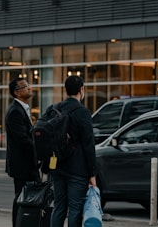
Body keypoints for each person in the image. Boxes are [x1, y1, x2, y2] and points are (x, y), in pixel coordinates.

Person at [50, 75, 97, 227]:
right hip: (77, 168)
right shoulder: (82, 112)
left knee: (59, 207)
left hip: (57, 166)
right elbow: (88, 145)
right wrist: (92, 173)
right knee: (75, 209)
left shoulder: (55, 109)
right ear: (81, 90)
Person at [5, 77, 39, 227]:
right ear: (17, 93)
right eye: (25, 86)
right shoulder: (15, 112)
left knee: (26, 197)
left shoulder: (22, 109)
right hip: (21, 164)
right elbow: (23, 140)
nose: (29, 88)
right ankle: (18, 224)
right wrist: (39, 151)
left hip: (27, 163)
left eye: (28, 85)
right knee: (20, 197)